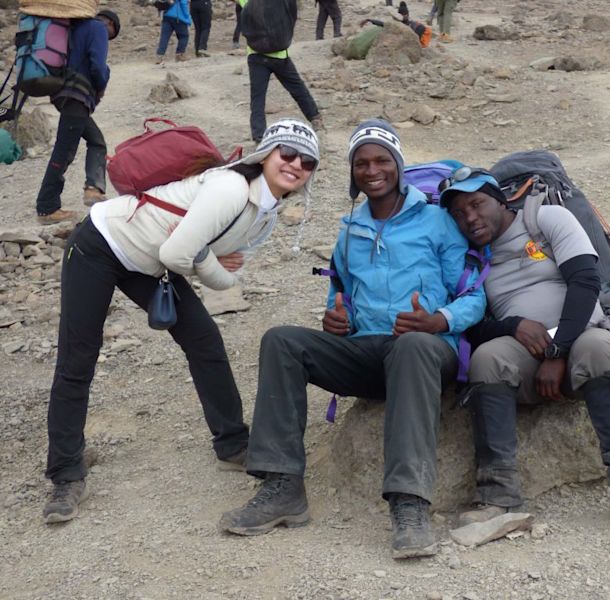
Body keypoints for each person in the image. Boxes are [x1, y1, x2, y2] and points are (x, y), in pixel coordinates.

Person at [219, 119, 486, 559]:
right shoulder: (351, 228)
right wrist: (336, 319)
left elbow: (475, 294)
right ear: (352, 171)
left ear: (398, 165)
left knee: (413, 345)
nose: (372, 169)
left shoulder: (438, 221)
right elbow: (338, 291)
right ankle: (282, 486)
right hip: (366, 351)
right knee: (281, 340)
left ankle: (410, 504)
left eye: (382, 160)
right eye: (361, 162)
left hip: (425, 351)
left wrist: (438, 321)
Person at [41, 119, 320, 524]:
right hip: (101, 244)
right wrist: (211, 265)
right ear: (267, 154)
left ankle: (233, 445)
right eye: (287, 153)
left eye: (307, 160)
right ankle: (66, 473)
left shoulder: (265, 212)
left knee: (204, 341)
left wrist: (201, 257)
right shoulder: (230, 189)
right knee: (77, 359)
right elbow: (180, 256)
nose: (295, 164)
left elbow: (206, 261)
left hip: (148, 262)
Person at [439, 168, 610, 529]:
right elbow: (471, 324)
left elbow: (584, 282)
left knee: (597, 348)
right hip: (525, 356)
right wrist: (512, 325)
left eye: (476, 204)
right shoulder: (469, 256)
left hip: (582, 337)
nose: (469, 217)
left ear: (499, 200)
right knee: (488, 359)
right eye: (458, 213)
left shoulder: (546, 218)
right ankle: (498, 497)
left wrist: (558, 352)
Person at [34, 9, 120, 226]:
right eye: (112, 34)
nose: (108, 38)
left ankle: (93, 189)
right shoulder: (98, 27)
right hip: (77, 95)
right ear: (109, 22)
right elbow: (97, 65)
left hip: (64, 94)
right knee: (64, 151)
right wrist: (102, 84)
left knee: (96, 141)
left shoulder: (74, 28)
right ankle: (47, 207)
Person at [238, 0, 323, 142]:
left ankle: (259, 135)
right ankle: (315, 118)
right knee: (298, 88)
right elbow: (292, 15)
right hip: (280, 55)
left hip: (256, 55)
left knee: (257, 98)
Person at [360, 2, 433, 48]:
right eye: (402, 15)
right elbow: (383, 24)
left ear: (407, 15)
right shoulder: (397, 24)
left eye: (405, 15)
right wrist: (370, 20)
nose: (404, 16)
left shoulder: (414, 25)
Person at [155, 0, 191, 64]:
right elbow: (183, 4)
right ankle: (179, 55)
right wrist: (188, 18)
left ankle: (159, 56)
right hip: (178, 17)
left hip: (166, 16)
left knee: (164, 37)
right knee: (184, 36)